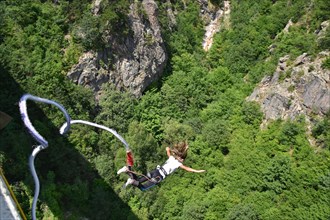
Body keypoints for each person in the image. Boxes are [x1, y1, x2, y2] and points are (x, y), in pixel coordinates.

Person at [117, 141, 206, 191]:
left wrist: (168, 149)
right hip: (159, 176)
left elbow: (168, 152)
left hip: (155, 171)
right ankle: (130, 179)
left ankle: (127, 170)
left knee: (138, 180)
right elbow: (188, 169)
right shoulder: (179, 164)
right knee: (143, 188)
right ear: (181, 159)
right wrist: (197, 171)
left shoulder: (171, 157)